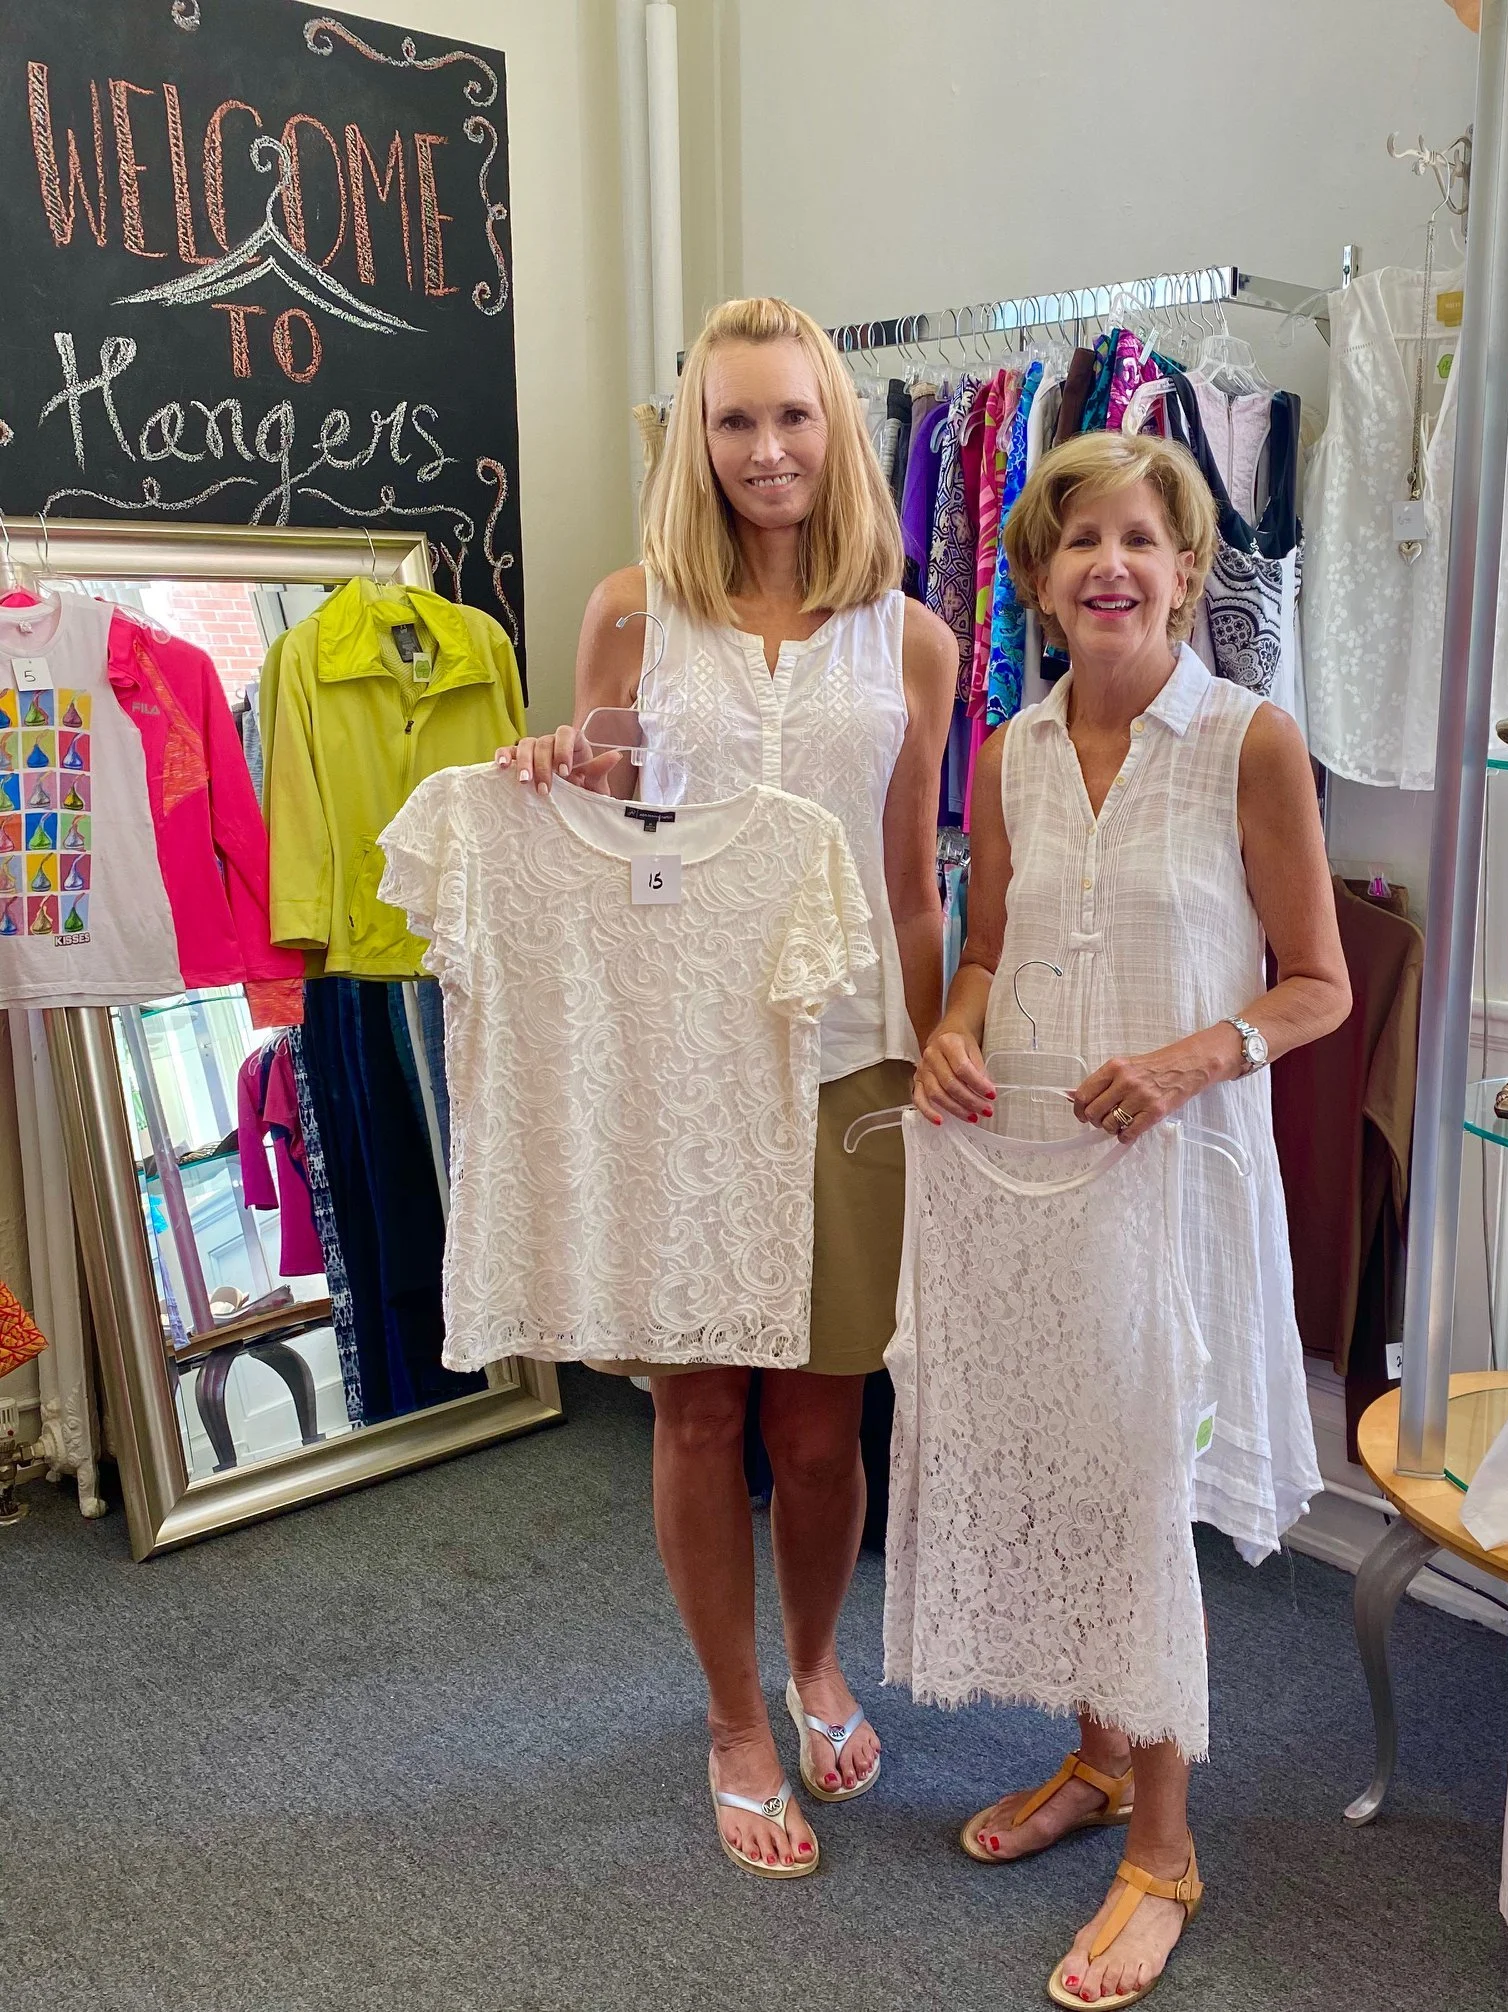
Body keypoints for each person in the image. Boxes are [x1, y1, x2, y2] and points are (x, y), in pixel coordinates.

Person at [504, 297, 957, 1875]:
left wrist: (926, 1042)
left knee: (827, 1427)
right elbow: (605, 838)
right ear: (694, 442)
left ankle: (818, 1655)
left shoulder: (909, 637)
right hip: (683, 1070)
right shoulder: (632, 615)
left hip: (849, 1063)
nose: (766, 451)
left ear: (838, 435)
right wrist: (556, 776)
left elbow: (913, 884)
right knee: (701, 1415)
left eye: (793, 418)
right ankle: (731, 1717)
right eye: (734, 421)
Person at [911, 430, 1350, 2006]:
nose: (1112, 566)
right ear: (1036, 577)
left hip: (1171, 1173)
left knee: (1142, 1496)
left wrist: (1185, 1061)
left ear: (1184, 572)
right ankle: (1096, 1759)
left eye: (1143, 541)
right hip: (1024, 1162)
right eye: (1079, 540)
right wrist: (955, 1026)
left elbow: (1318, 985)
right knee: (1062, 1459)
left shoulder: (1248, 740)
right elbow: (985, 950)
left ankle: (1162, 1848)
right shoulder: (1008, 750)